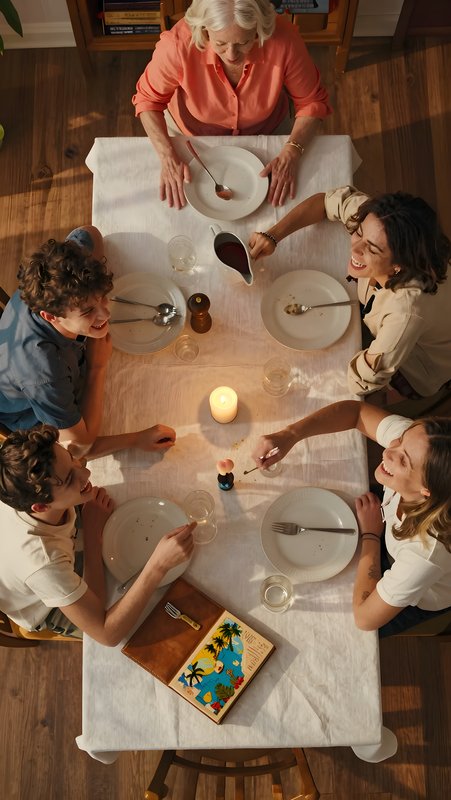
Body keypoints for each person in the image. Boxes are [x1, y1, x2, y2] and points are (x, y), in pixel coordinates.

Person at [251, 400, 451, 637]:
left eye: (403, 460)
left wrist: (371, 536)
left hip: (418, 593)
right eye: (400, 439)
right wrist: (290, 435)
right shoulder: (420, 444)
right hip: (384, 525)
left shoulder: (424, 555)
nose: (388, 450)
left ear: (426, 491)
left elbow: (364, 618)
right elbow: (356, 412)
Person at [249, 186, 451, 401]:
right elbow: (324, 202)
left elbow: (361, 383)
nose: (355, 248)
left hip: (418, 366)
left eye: (372, 249)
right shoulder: (381, 221)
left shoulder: (405, 313)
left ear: (399, 265)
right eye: (359, 233)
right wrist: (273, 236)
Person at [0, 424, 195, 645]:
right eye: (70, 479)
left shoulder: (41, 471)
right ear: (41, 507)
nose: (86, 473)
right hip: (44, 607)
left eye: (71, 459)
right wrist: (157, 566)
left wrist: (136, 437)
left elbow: (80, 448)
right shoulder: (44, 564)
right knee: (144, 618)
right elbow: (107, 633)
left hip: (56, 551)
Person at [132, 0, 331, 208]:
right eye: (220, 44)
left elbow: (311, 102)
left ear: (258, 29)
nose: (232, 55)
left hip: (266, 131)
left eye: (244, 42)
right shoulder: (178, 45)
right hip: (191, 135)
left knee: (280, 202)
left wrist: (292, 151)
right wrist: (167, 156)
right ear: (205, 31)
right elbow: (148, 100)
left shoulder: (285, 40)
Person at [0, 226, 176, 458]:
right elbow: (78, 446)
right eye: (88, 311)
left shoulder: (59, 286)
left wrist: (80, 261)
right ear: (51, 316)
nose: (106, 315)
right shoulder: (43, 372)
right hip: (28, 412)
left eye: (103, 296)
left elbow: (89, 233)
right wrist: (97, 367)